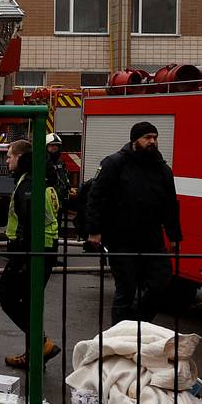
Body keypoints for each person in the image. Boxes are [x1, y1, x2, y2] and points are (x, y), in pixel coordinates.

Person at [84, 120, 182, 324]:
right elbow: (97, 197)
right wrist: (94, 230)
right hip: (121, 238)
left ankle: (138, 324)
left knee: (161, 283)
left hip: (152, 239)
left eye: (155, 138)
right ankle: (117, 337)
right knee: (126, 290)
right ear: (135, 140)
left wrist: (173, 236)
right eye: (147, 138)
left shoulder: (162, 170)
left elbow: (170, 205)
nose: (152, 142)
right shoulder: (115, 163)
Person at [0, 140, 60, 368]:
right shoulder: (43, 177)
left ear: (21, 158)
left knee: (9, 298)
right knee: (27, 303)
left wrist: (21, 255)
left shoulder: (30, 183)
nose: (7, 160)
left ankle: (41, 343)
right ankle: (35, 355)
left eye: (9, 156)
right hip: (43, 249)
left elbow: (29, 221)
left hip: (32, 252)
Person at [45, 132, 71, 215]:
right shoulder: (44, 161)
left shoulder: (59, 160)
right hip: (48, 199)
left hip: (60, 198)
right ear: (46, 146)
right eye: (52, 145)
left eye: (57, 145)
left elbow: (63, 175)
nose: (55, 147)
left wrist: (67, 187)